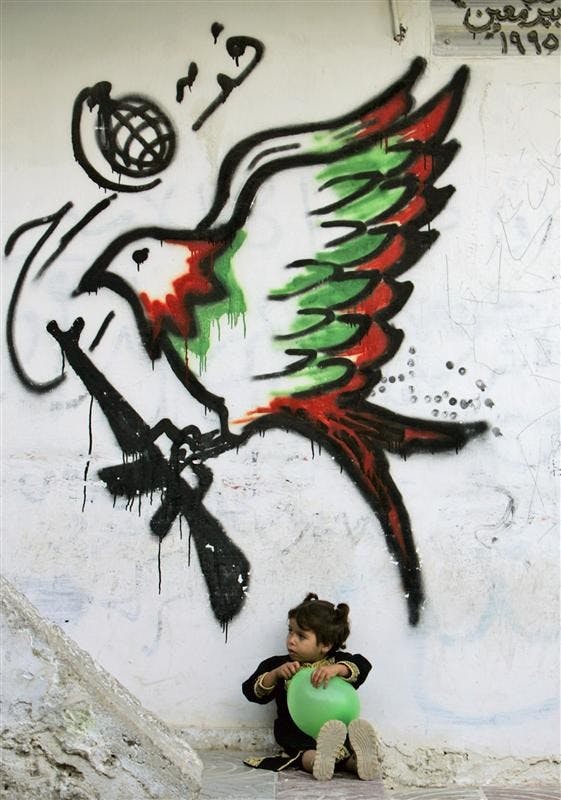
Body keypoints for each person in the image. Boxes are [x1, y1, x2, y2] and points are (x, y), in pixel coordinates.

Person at [242, 592, 381, 781]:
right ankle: (321, 761)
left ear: (325, 644)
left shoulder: (337, 662)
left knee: (345, 746)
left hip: (337, 730)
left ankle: (358, 762)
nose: (291, 639)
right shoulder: (280, 665)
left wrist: (338, 669)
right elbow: (250, 691)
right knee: (306, 754)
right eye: (290, 631)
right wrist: (275, 675)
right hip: (297, 733)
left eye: (300, 635)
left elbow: (363, 665)